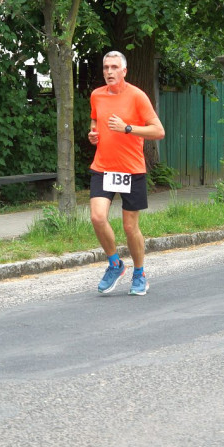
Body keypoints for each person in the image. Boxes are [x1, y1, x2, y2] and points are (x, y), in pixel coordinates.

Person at [88, 51, 165, 296]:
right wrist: (93, 134)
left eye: (114, 67)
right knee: (97, 217)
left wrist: (127, 128)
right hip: (103, 167)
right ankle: (115, 264)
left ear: (124, 71)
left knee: (130, 227)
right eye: (105, 67)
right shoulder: (96, 95)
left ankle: (140, 273)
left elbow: (158, 131)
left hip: (131, 169)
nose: (109, 72)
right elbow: (94, 121)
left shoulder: (137, 96)